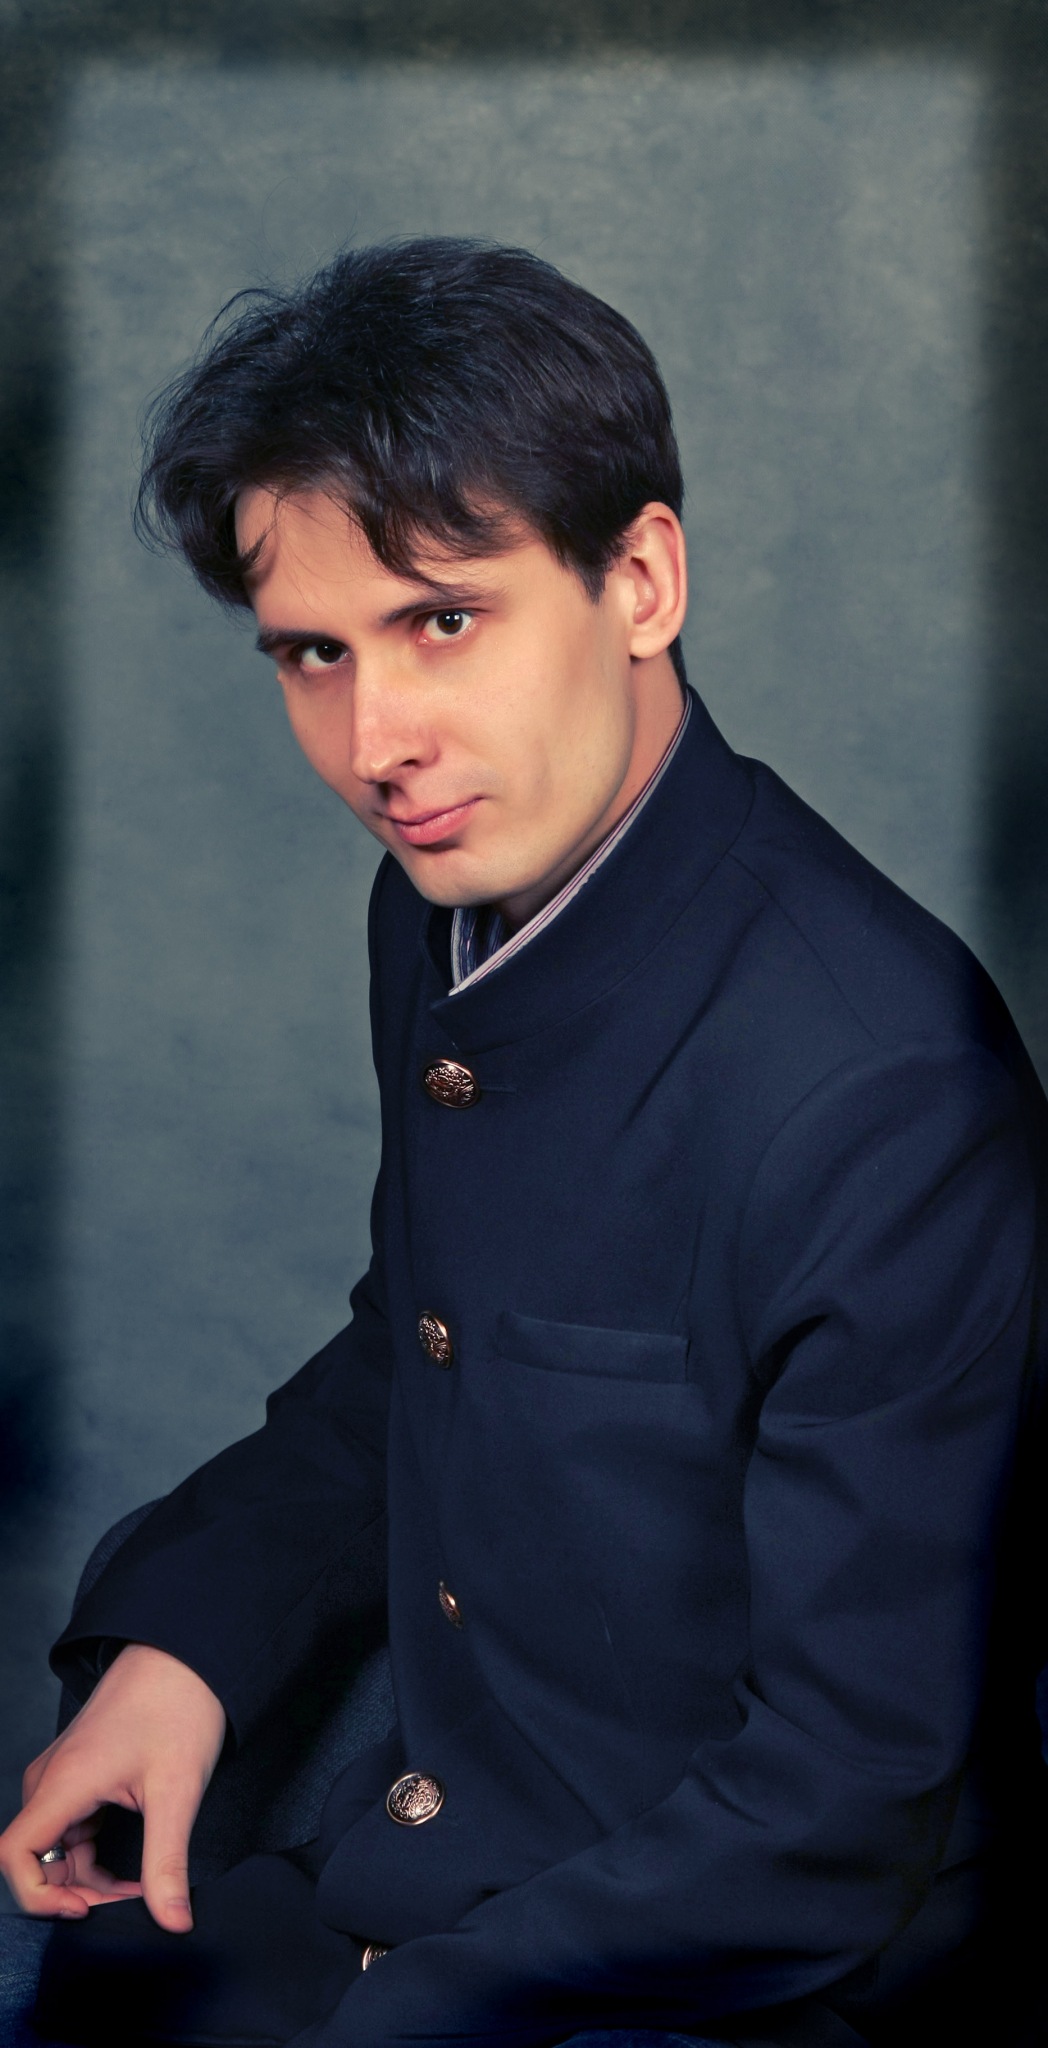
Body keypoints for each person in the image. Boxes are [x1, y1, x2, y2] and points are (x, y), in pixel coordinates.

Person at [1, 236, 1047, 2048]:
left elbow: (842, 1803)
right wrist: (189, 1645)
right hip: (462, 1806)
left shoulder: (891, 1092)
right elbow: (425, 1344)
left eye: (442, 622)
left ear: (640, 580)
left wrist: (407, 2005)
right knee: (98, 1972)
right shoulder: (448, 898)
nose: (375, 742)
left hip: (734, 1961)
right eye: (312, 654)